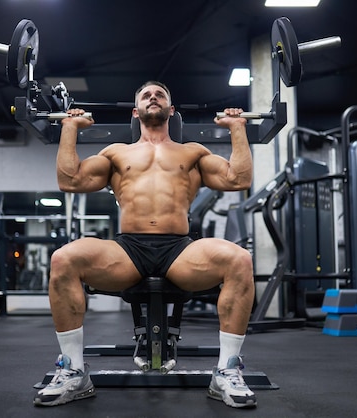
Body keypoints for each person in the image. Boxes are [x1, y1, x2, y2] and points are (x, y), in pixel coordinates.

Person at [33, 81, 257, 409]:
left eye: (161, 94)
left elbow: (239, 179)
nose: (154, 97)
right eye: (146, 95)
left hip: (180, 248)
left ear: (171, 110)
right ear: (136, 112)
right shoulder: (116, 153)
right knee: (64, 258)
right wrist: (70, 127)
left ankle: (227, 370)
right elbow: (70, 180)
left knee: (239, 259)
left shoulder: (193, 152)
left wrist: (238, 128)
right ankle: (73, 370)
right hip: (128, 249)